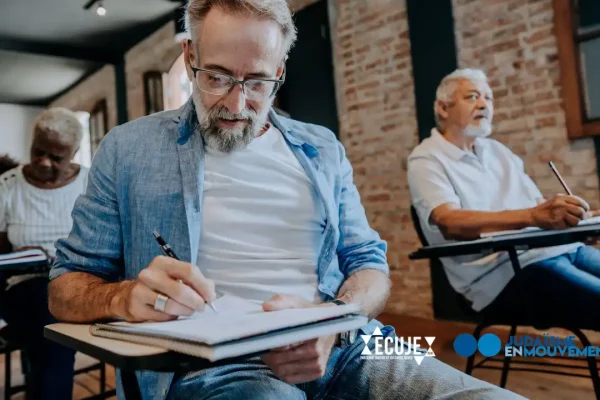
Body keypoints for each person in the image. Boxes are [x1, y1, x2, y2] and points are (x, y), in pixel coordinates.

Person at [47, 2, 521, 399]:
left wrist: (334, 319)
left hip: (349, 345)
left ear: (280, 70)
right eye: (216, 77)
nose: (235, 104)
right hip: (222, 366)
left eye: (256, 83)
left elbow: (370, 268)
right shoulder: (129, 149)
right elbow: (63, 290)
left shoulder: (322, 149)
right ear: (190, 55)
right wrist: (123, 296)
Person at [408, 68, 600, 325]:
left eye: (488, 98)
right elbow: (449, 222)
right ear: (443, 108)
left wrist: (580, 219)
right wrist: (535, 216)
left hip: (556, 250)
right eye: (472, 97)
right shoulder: (426, 158)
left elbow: (536, 208)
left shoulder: (499, 152)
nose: (484, 105)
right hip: (500, 275)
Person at [0, 107, 88, 399]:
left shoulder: (91, 184)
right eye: (37, 151)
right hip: (23, 286)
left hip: (81, 282)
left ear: (74, 152)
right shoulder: (7, 186)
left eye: (56, 156)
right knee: (50, 322)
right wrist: (18, 257)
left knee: (50, 331)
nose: (43, 161)